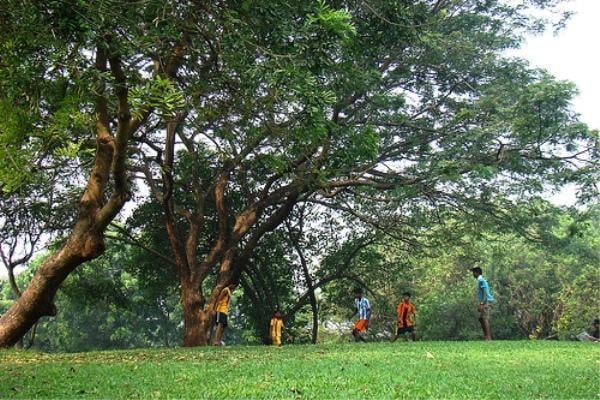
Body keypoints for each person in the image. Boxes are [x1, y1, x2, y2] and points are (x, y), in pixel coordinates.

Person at [472, 267, 493, 340]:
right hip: (485, 301)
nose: (473, 274)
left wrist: (481, 304)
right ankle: (486, 336)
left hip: (486, 301)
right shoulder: (481, 280)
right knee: (481, 318)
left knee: (484, 318)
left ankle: (488, 337)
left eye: (473, 272)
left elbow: (485, 292)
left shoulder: (481, 280)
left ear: (477, 273)